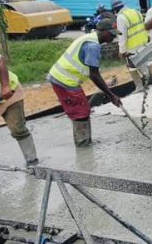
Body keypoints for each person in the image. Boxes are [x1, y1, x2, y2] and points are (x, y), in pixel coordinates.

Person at [47, 16, 124, 147]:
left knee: (83, 110)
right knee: (80, 113)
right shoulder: (92, 46)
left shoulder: (89, 38)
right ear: (104, 31)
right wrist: (111, 95)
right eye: (111, 35)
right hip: (64, 81)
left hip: (65, 80)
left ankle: (86, 141)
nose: (112, 38)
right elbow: (94, 75)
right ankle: (83, 146)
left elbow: (93, 73)